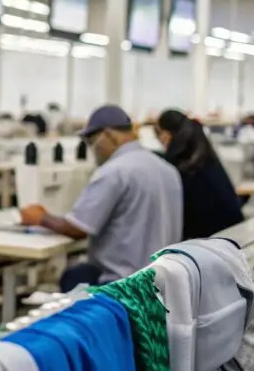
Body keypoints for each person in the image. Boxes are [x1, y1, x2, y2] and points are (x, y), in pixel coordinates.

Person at [21, 104, 183, 291]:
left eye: (92, 141)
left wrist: (40, 217)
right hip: (161, 286)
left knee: (74, 278)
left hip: (121, 286)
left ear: (109, 135)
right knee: (78, 272)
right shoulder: (167, 170)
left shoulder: (114, 171)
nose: (93, 149)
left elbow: (78, 228)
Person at [155, 109, 243, 239]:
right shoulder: (204, 155)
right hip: (231, 234)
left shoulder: (177, 165)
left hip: (210, 239)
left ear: (166, 135)